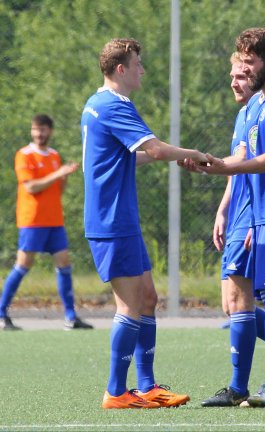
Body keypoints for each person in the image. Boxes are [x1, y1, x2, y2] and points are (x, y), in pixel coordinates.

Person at [81, 38, 205, 409]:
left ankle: (148, 386)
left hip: (120, 218)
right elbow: (155, 149)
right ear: (121, 69)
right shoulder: (112, 103)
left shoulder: (98, 102)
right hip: (111, 219)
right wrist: (192, 155)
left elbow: (128, 158)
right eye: (138, 64)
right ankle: (117, 392)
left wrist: (168, 156)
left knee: (148, 299)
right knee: (129, 305)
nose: (143, 70)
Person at [195, 27, 265, 408]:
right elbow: (241, 158)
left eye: (249, 62)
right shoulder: (257, 106)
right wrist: (210, 165)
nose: (243, 69)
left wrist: (225, 168)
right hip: (261, 213)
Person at [201, 54, 265, 407]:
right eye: (232, 75)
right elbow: (238, 167)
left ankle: (238, 386)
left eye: (241, 75)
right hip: (238, 213)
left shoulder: (264, 109)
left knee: (243, 300)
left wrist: (257, 217)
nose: (234, 82)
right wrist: (223, 209)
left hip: (254, 216)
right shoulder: (244, 114)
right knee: (231, 304)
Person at [0, 114, 93, 331]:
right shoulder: (24, 155)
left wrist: (64, 176)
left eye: (42, 130)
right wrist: (57, 173)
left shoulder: (54, 156)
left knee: (64, 262)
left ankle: (71, 317)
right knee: (24, 264)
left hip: (54, 220)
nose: (38, 134)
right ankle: (2, 312)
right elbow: (31, 187)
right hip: (32, 220)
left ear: (50, 131)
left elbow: (57, 190)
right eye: (35, 130)